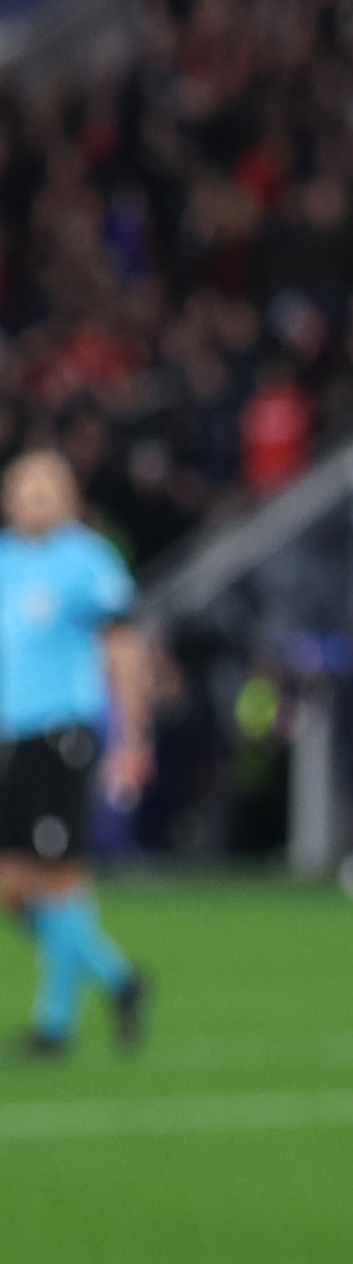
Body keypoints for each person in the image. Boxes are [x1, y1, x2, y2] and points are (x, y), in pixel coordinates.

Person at [0, 450, 152, 1056]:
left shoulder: (87, 560)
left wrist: (132, 738)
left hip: (59, 738)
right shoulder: (5, 560)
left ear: (66, 496)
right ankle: (114, 981)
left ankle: (59, 1020)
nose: (32, 497)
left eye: (45, 486)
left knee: (50, 880)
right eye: (22, 486)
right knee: (30, 887)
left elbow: (125, 650)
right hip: (12, 742)